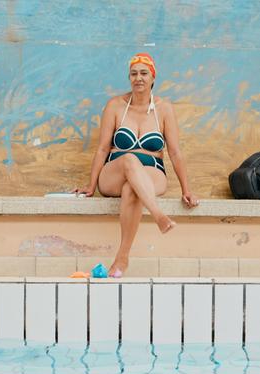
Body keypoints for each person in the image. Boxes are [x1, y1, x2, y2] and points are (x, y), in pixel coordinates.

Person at [74, 52, 198, 277]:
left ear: (153, 77)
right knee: (130, 160)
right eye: (133, 74)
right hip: (115, 171)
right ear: (129, 78)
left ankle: (122, 258)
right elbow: (102, 148)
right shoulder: (115, 106)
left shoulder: (164, 108)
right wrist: (91, 186)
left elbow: (175, 152)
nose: (138, 78)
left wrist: (186, 190)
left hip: (153, 172)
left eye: (143, 73)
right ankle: (158, 215)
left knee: (132, 188)